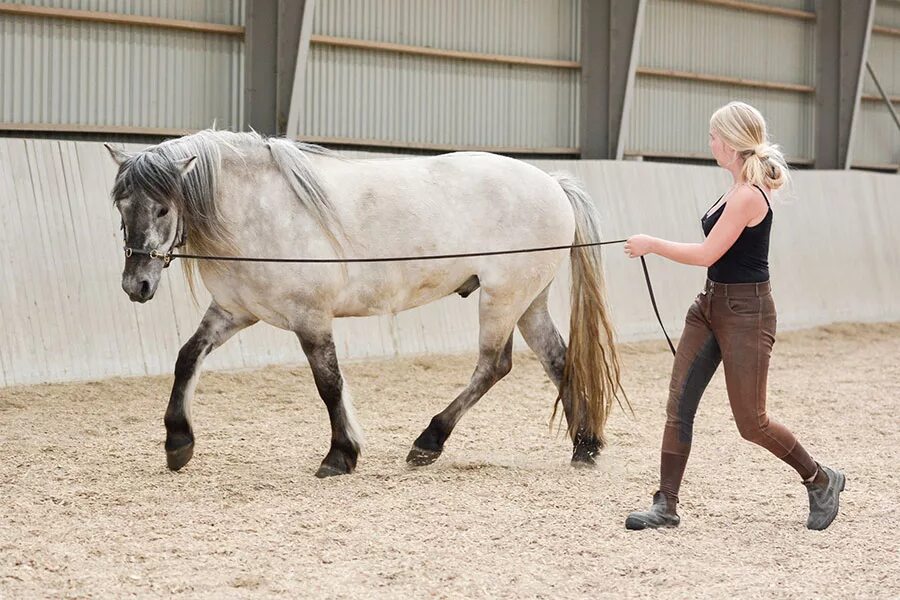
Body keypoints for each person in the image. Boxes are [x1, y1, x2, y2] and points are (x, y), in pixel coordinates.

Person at [622, 101, 844, 531]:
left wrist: (651, 243)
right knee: (679, 405)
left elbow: (708, 253)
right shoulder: (734, 186)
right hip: (710, 306)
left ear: (729, 142)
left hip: (747, 312)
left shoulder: (746, 195)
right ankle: (665, 505)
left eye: (713, 137)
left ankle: (820, 479)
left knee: (751, 423)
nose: (710, 144)